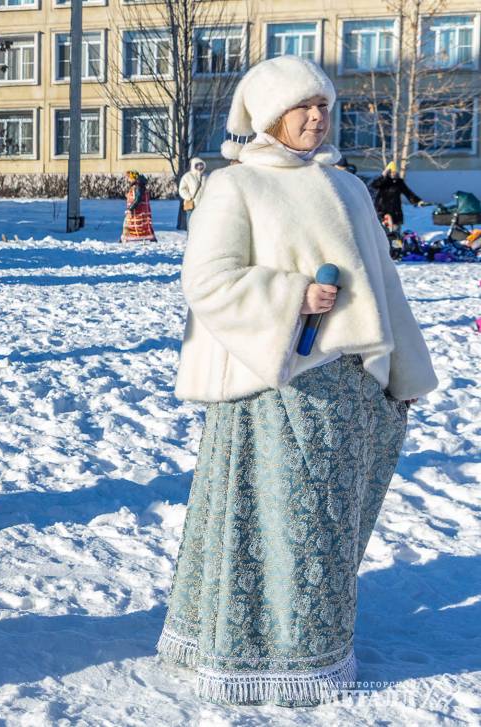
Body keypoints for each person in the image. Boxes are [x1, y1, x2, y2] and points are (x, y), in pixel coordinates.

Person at [158, 55, 438, 707]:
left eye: (322, 106)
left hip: (353, 389)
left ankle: (315, 644)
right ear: (268, 115)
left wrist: (404, 372)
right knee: (282, 523)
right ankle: (267, 653)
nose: (316, 118)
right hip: (276, 387)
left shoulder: (343, 187)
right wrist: (291, 297)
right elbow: (207, 280)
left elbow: (382, 285)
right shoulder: (236, 187)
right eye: (301, 108)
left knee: (330, 527)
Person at [371, 161, 430, 229]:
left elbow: (408, 193)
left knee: (396, 234)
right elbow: (374, 185)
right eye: (391, 172)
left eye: (395, 172)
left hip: (395, 212)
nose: (393, 174)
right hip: (382, 212)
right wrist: (382, 176)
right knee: (383, 234)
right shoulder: (383, 182)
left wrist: (418, 201)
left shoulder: (399, 182)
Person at [120, 170, 157, 242]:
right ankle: (151, 238)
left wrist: (130, 208)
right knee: (143, 225)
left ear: (133, 178)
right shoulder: (139, 185)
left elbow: (138, 198)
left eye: (129, 177)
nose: (128, 179)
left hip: (137, 211)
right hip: (141, 211)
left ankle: (124, 239)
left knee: (128, 224)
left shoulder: (137, 186)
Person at [178, 157, 207, 226]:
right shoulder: (187, 176)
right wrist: (189, 197)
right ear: (193, 165)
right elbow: (182, 189)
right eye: (197, 165)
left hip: (203, 205)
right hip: (192, 205)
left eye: (201, 164)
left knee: (201, 225)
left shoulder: (205, 177)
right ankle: (190, 236)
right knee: (191, 224)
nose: (199, 166)